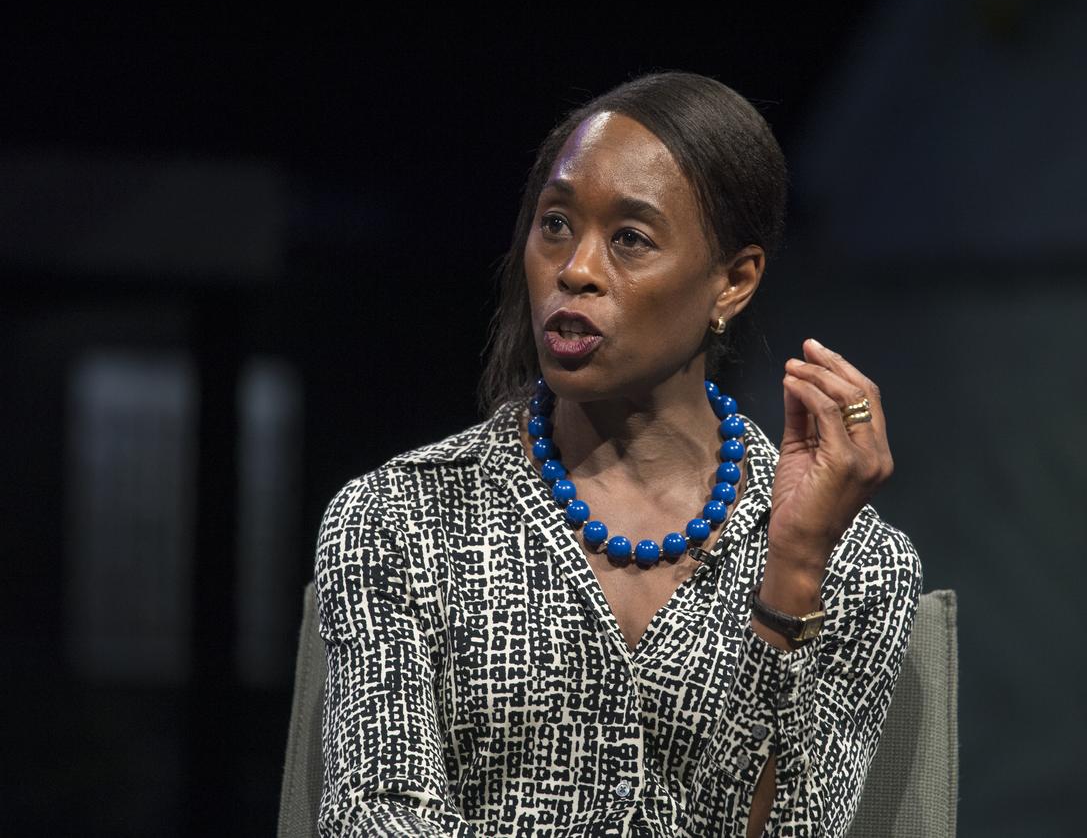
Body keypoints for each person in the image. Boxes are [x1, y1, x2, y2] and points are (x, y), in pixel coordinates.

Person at [314, 71, 922, 837]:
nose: (577, 269)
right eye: (557, 225)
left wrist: (795, 567)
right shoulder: (403, 520)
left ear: (733, 282)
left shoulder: (854, 565)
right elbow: (379, 817)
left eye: (629, 239)